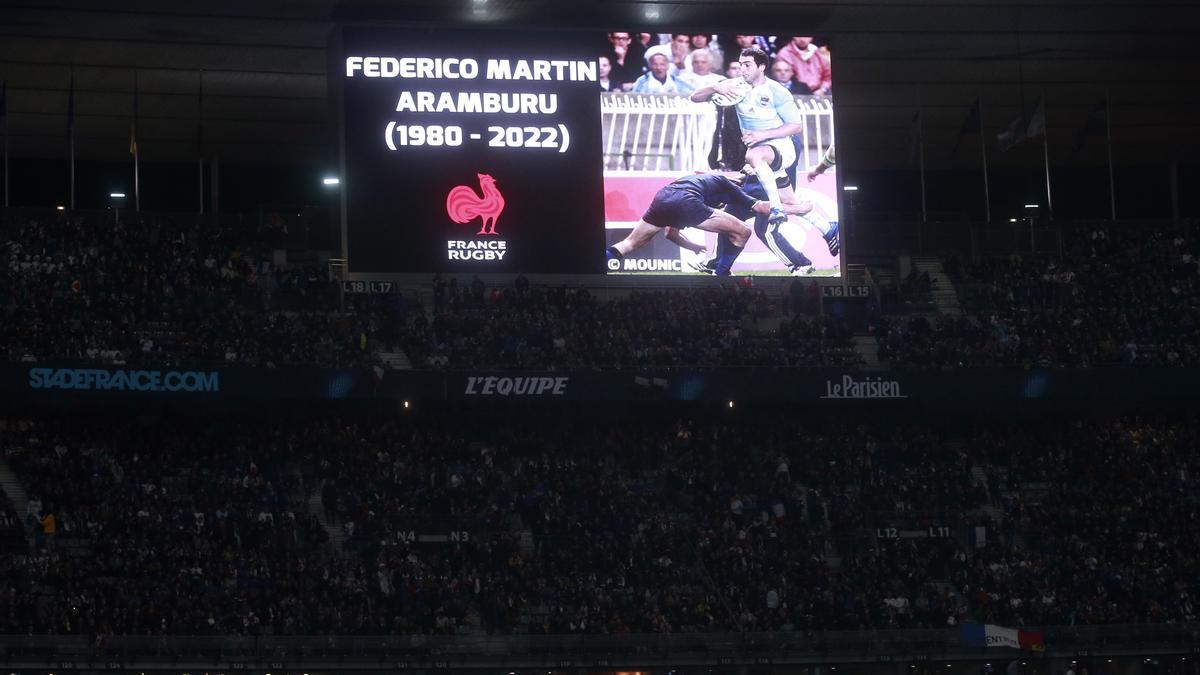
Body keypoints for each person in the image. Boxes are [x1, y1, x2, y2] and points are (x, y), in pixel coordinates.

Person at [690, 47, 801, 224]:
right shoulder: (734, 86)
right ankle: (826, 227)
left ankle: (777, 209)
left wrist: (762, 135)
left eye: (747, 65)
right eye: (741, 64)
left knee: (754, 156)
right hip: (758, 151)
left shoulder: (777, 91)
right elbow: (694, 98)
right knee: (791, 200)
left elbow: (796, 127)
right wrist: (714, 87)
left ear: (762, 66)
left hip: (782, 146)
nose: (742, 69)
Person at [605, 173, 771, 276]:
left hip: (663, 197)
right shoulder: (728, 185)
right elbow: (762, 207)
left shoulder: (696, 179)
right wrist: (793, 206)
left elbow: (670, 234)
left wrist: (693, 247)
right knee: (743, 231)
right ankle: (722, 274)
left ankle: (596, 266)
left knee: (630, 243)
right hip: (687, 199)